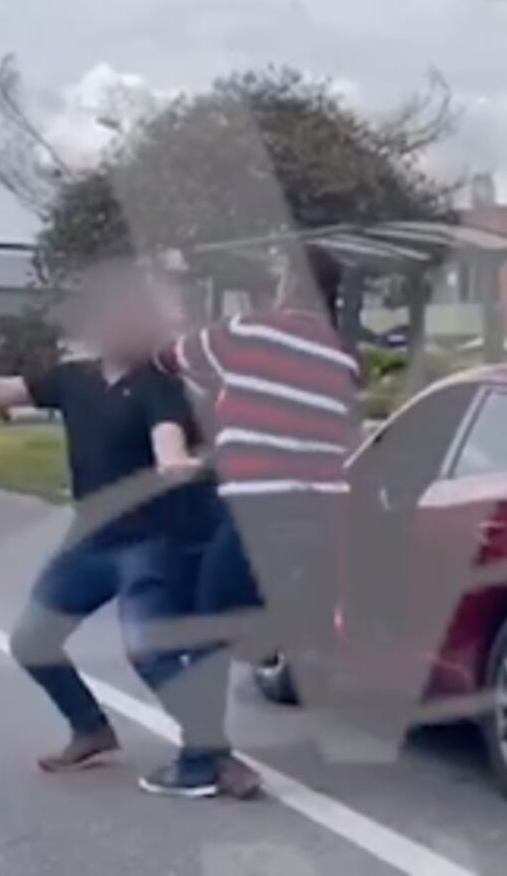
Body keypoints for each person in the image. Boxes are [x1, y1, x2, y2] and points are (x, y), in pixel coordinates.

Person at [0, 263, 254, 799]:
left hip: (153, 542)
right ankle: (90, 730)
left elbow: (167, 434)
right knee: (33, 640)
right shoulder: (74, 378)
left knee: (150, 651)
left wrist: (173, 459)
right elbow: (6, 390)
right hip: (91, 539)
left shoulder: (160, 387)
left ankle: (211, 754)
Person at [154, 247, 360, 750]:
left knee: (206, 626)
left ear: (290, 282)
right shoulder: (345, 359)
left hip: (257, 504)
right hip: (324, 512)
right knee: (287, 605)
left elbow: (171, 358)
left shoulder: (247, 332)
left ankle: (199, 755)